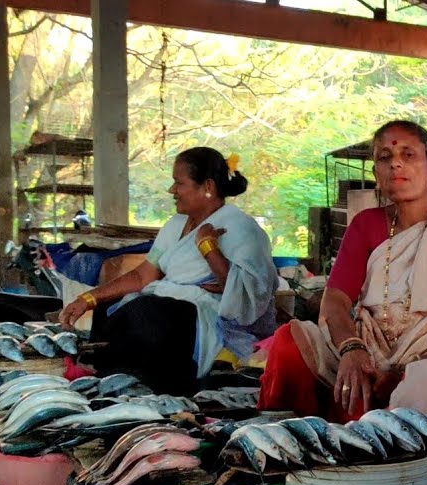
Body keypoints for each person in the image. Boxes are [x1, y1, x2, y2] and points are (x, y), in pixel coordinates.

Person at [258, 120, 427, 422]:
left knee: (426, 386)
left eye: (409, 155)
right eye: (384, 158)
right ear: (376, 173)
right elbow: (335, 301)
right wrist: (352, 349)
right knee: (290, 341)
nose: (396, 165)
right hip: (370, 347)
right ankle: (293, 438)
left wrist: (405, 373)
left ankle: (409, 460)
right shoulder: (365, 224)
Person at [59, 147, 279, 392]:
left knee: (149, 312)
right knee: (108, 308)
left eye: (179, 183)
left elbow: (244, 295)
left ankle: (162, 387)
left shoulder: (241, 228)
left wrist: (208, 248)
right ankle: (110, 381)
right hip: (168, 305)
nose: (172, 191)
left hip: (209, 319)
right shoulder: (175, 225)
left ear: (207, 186)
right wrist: (88, 299)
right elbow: (144, 275)